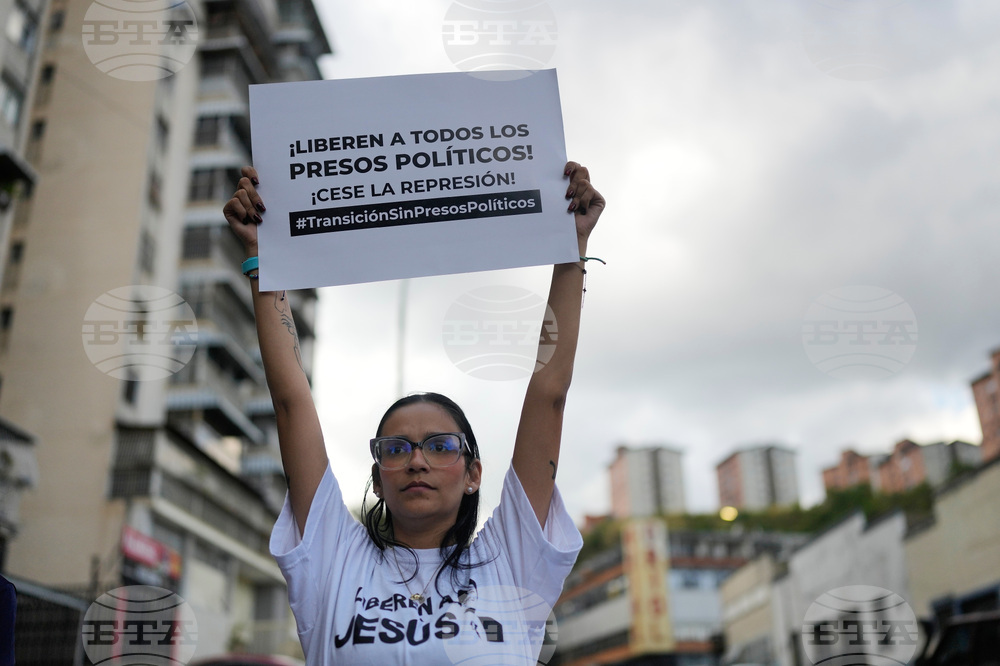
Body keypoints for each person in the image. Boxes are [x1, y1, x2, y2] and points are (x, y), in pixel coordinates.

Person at [223, 161, 605, 664]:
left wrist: (570, 248)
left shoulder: (510, 561)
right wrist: (260, 257)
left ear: (473, 474)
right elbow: (291, 403)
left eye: (440, 446)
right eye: (396, 449)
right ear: (378, 480)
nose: (417, 461)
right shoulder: (333, 561)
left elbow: (549, 394)